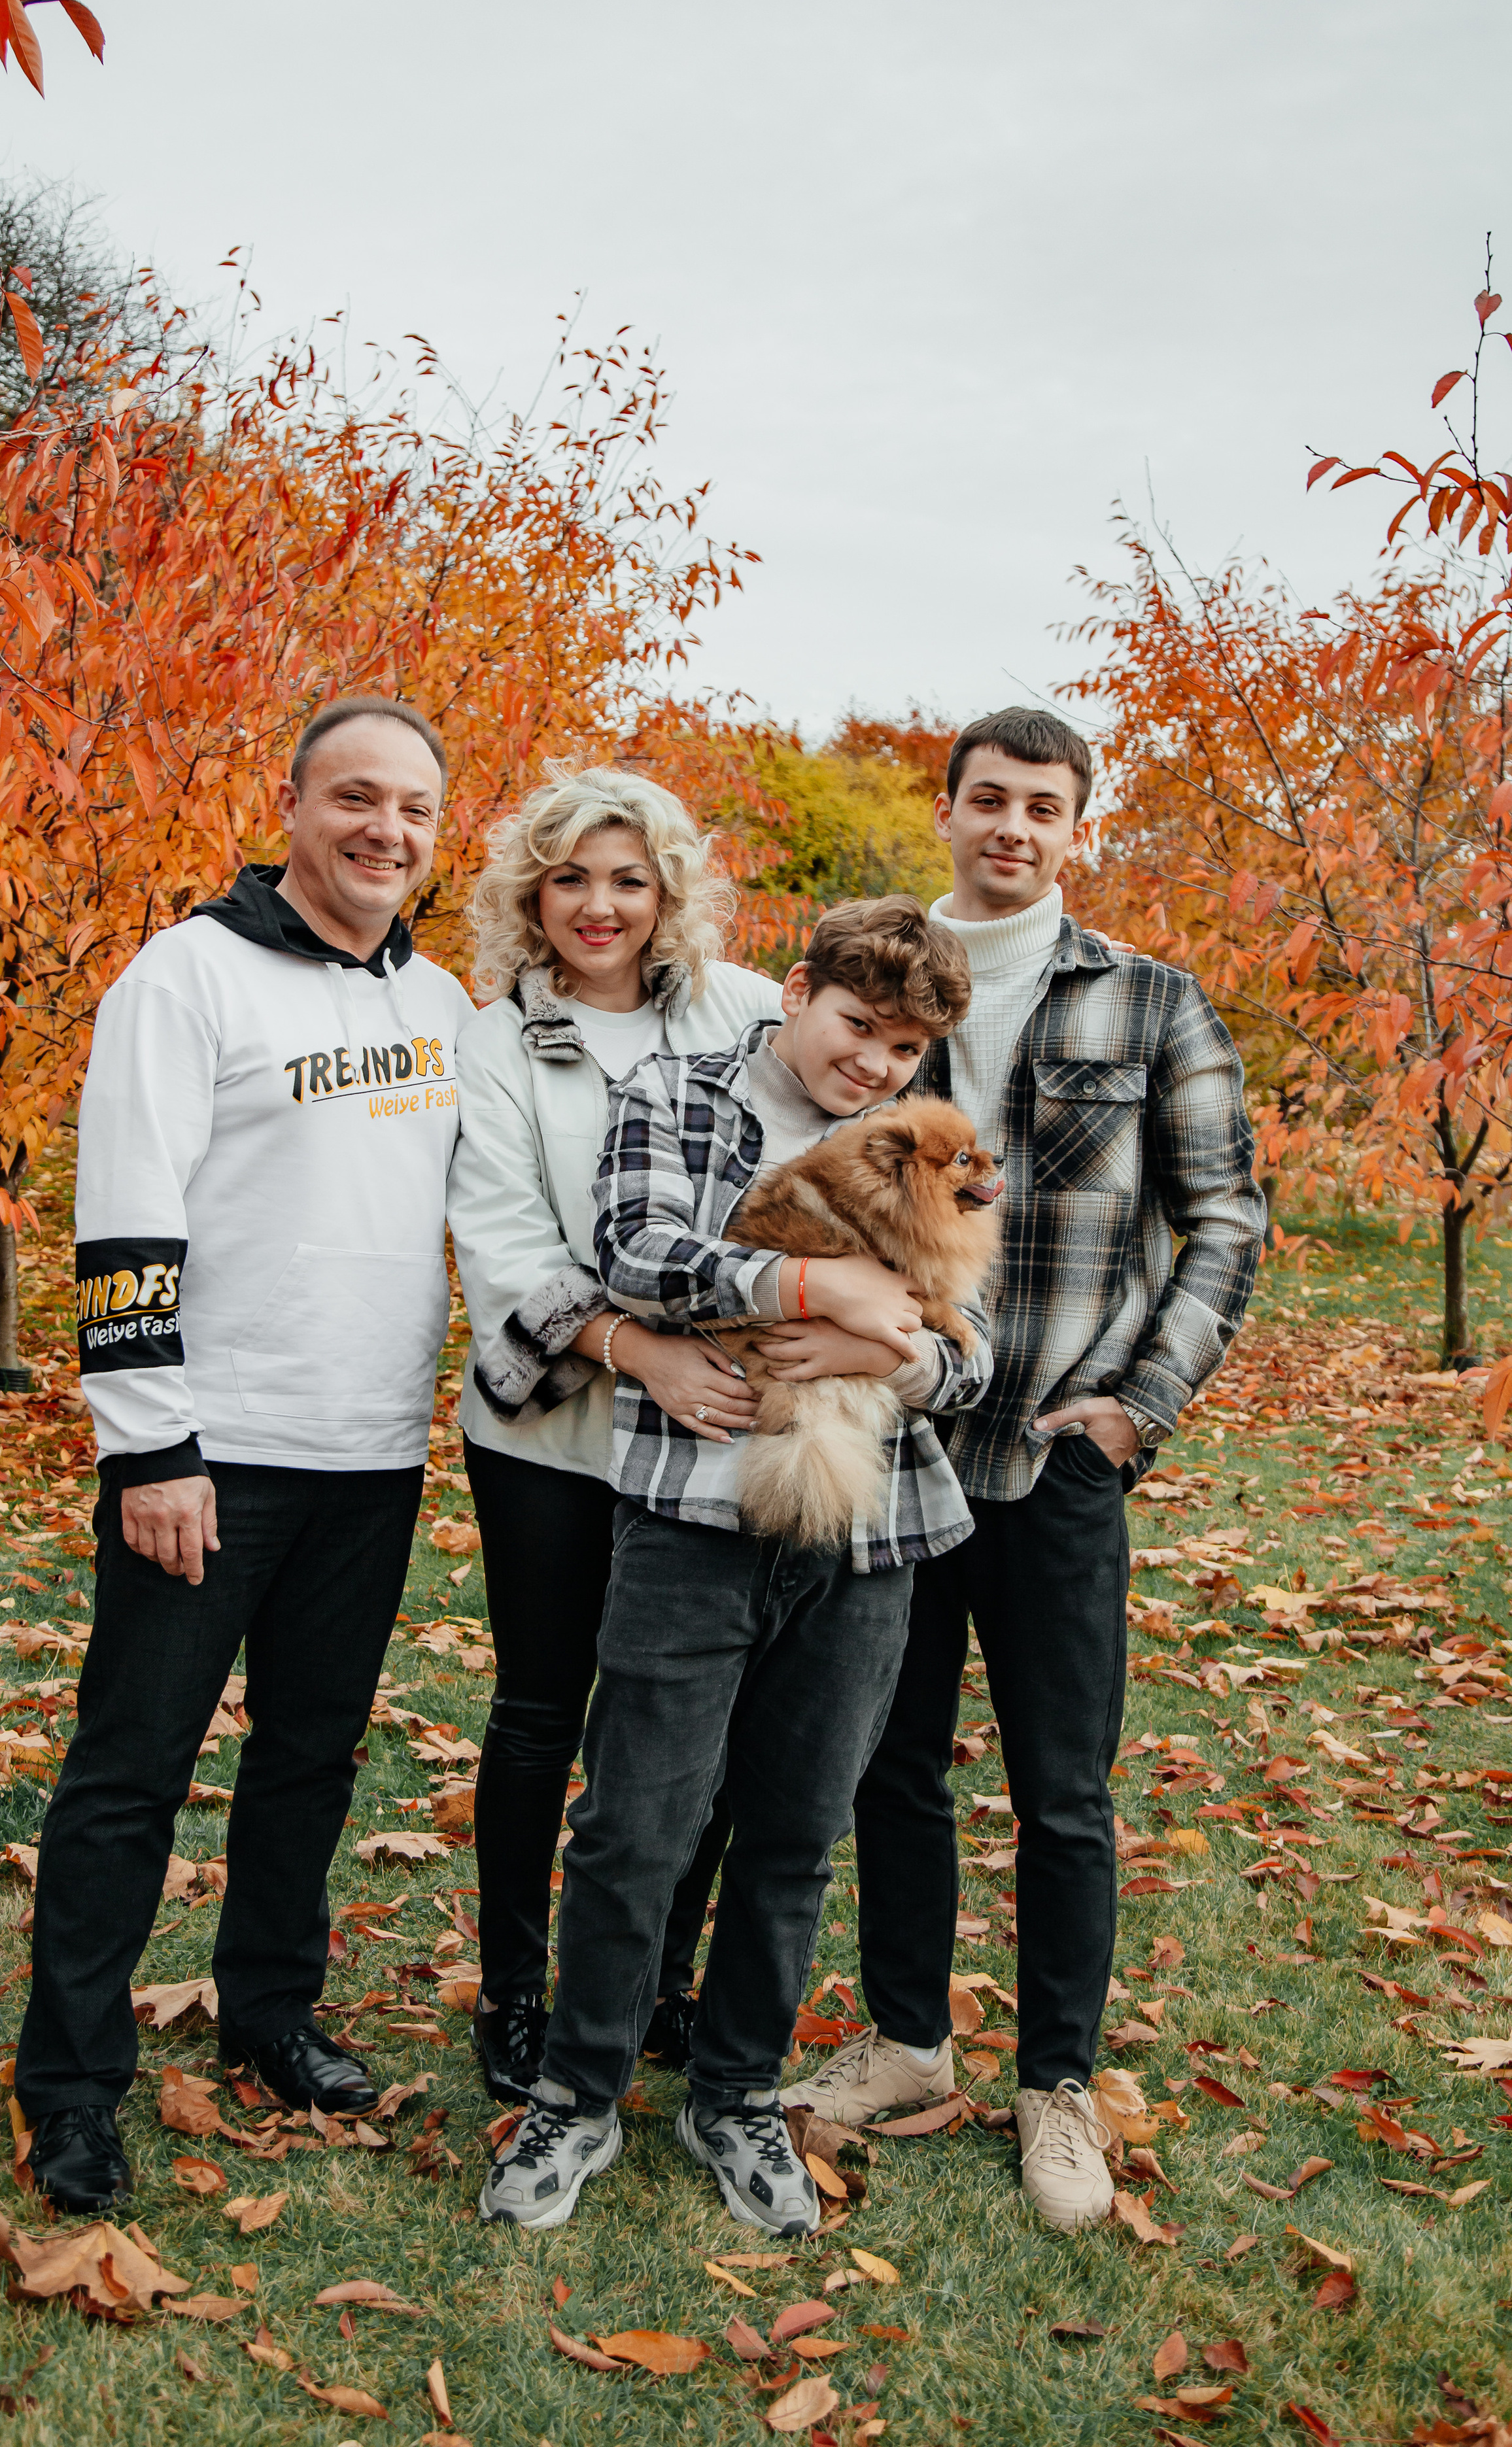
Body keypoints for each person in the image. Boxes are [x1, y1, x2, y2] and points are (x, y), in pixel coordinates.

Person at [780, 708, 1265, 2234]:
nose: (1011, 826)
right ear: (945, 809)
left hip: (1056, 1449)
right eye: (987, 798)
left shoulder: (1147, 1001)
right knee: (890, 1763)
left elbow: (1224, 1218)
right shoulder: (874, 987)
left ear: (1072, 829)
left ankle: (1056, 2082)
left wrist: (1140, 1405)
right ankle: (907, 2039)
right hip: (890, 1440)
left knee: (1060, 1788)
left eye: (1041, 807)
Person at [16, 695, 475, 2215]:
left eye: (412, 808)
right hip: (208, 1454)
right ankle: (70, 2084)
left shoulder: (443, 1007)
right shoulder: (187, 975)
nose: (383, 831)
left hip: (370, 1453)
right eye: (354, 797)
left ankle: (269, 2012)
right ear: (291, 807)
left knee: (308, 1759)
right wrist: (150, 1445)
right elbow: (123, 1208)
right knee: (130, 1771)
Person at [478, 895, 993, 2234]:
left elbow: (970, 1357)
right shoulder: (679, 1093)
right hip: (687, 1520)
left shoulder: (930, 1147)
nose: (874, 1063)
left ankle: (739, 2093)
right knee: (633, 1826)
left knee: (794, 1833)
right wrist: (815, 1292)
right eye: (857, 1025)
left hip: (869, 1538)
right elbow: (640, 1258)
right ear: (798, 991)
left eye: (904, 1050)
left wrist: (889, 1350)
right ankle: (576, 2094)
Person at [447, 761, 783, 2105]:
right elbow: (505, 1238)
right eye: (571, 879)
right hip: (555, 1434)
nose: (600, 906)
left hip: (714, 1432)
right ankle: (514, 1990)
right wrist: (637, 1346)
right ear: (532, 894)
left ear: (667, 892)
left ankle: (656, 1982)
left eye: (629, 880)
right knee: (541, 1712)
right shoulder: (494, 1042)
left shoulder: (745, 1011)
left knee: (690, 1721)